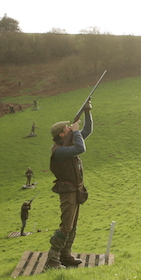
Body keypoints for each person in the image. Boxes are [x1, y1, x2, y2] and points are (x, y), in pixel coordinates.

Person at [45, 102, 93, 269]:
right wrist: (76, 131)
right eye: (67, 128)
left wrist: (87, 112)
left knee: (72, 225)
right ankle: (52, 260)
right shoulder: (58, 151)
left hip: (76, 189)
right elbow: (81, 148)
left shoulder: (66, 144)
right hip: (67, 191)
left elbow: (87, 131)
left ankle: (65, 255)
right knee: (66, 225)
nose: (70, 129)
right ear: (61, 135)